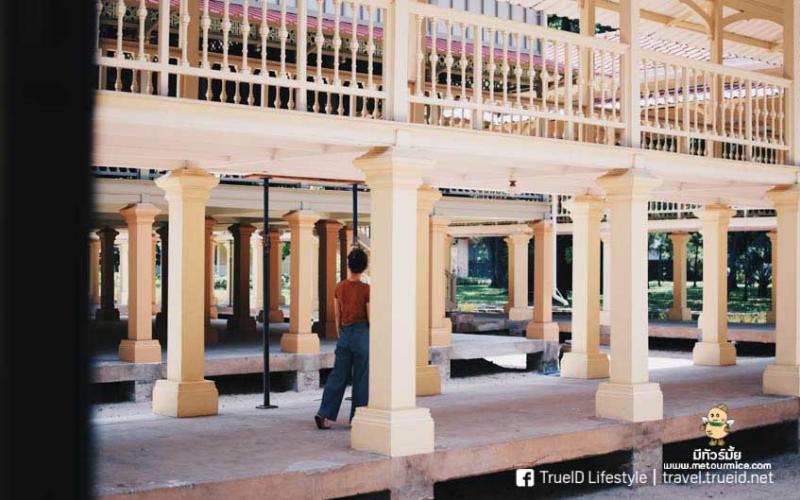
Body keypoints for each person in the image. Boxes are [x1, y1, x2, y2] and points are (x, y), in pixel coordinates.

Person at [314, 247, 370, 429]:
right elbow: (370, 316)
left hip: (345, 334)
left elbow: (337, 315)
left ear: (348, 266)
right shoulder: (366, 289)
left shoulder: (339, 287)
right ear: (365, 267)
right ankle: (357, 418)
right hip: (362, 334)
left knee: (338, 375)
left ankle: (324, 414)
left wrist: (341, 335)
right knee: (361, 377)